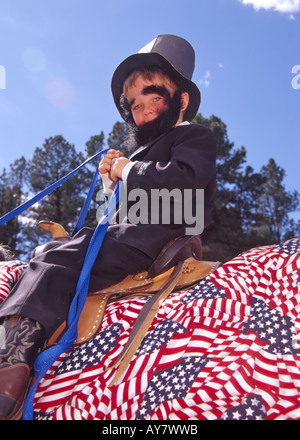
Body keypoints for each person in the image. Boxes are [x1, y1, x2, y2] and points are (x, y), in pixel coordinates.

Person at [0, 34, 216, 420]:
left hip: (154, 235)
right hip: (130, 233)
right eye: (134, 104)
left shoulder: (194, 136)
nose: (143, 110)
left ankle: (8, 369)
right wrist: (110, 184)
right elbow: (117, 214)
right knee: (49, 251)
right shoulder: (143, 150)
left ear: (180, 101)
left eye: (154, 97)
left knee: (54, 258)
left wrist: (127, 169)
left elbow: (188, 183)